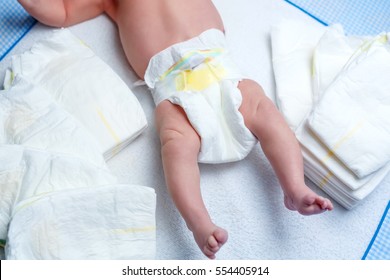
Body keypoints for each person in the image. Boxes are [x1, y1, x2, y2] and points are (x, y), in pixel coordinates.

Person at [18, 0, 334, 259]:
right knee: (176, 145)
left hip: (221, 68)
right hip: (172, 89)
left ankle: (294, 189)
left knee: (266, 113)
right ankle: (199, 222)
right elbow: (62, 12)